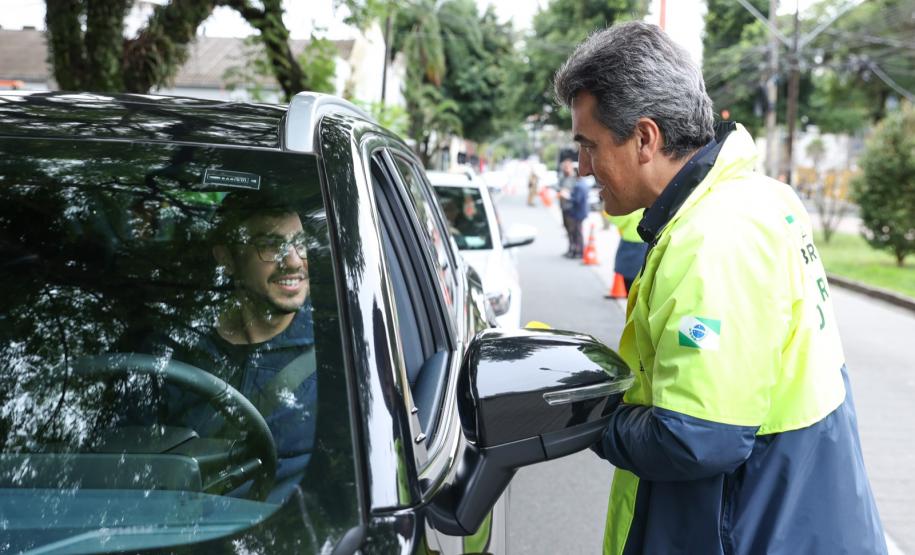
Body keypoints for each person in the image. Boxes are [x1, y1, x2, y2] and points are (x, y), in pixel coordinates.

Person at [553, 22, 886, 555]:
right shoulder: (761, 197)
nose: (584, 167)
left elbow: (697, 436)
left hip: (748, 530)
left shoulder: (713, 238)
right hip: (802, 516)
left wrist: (589, 418)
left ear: (645, 138)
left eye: (589, 146)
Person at [152, 192, 316, 500]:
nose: (294, 261)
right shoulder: (171, 350)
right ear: (226, 259)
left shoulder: (341, 349)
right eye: (270, 245)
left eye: (300, 242)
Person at [606, 209, 647, 291]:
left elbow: (615, 219)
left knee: (628, 277)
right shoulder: (647, 209)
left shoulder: (630, 211)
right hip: (644, 244)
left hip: (630, 244)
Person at [557, 157, 579, 257]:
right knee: (567, 229)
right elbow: (557, 187)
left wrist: (567, 193)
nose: (565, 168)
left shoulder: (574, 178)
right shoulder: (562, 177)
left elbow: (576, 192)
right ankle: (570, 248)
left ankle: (575, 249)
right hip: (563, 206)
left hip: (571, 207)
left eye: (567, 167)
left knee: (573, 230)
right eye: (564, 167)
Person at [568, 172, 590, 258]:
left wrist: (568, 196)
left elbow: (576, 200)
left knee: (577, 232)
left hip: (578, 212)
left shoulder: (578, 186)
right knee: (579, 232)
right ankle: (579, 250)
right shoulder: (584, 184)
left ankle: (579, 251)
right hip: (582, 211)